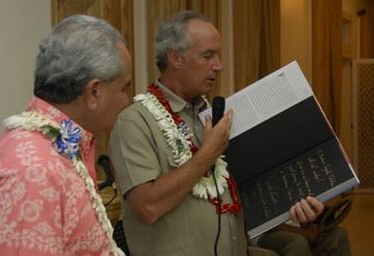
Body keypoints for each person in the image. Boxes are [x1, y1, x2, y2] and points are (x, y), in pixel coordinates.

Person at [110, 10, 323, 256]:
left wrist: (293, 206)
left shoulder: (213, 116)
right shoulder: (135, 121)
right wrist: (207, 154)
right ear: (175, 58)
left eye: (218, 55)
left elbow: (244, 194)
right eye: (208, 56)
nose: (219, 66)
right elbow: (147, 206)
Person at [0, 14, 132, 255]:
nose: (127, 100)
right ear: (94, 92)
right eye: (124, 88)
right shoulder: (32, 172)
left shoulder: (59, 148)